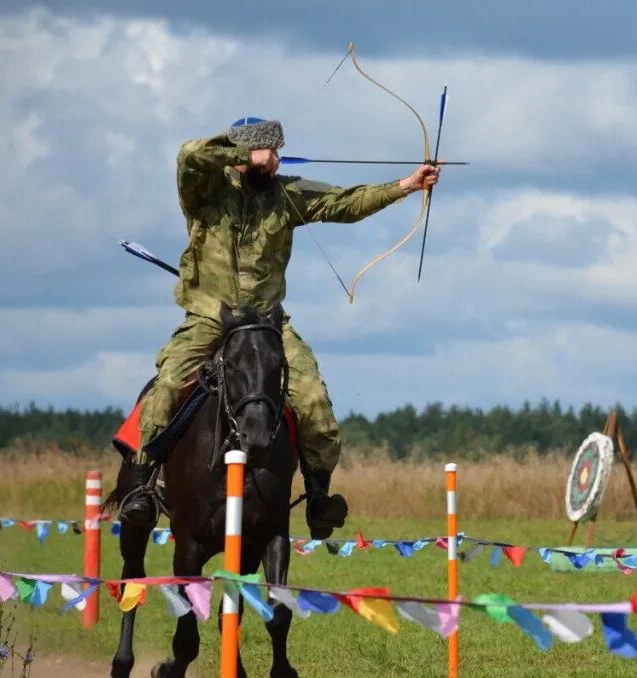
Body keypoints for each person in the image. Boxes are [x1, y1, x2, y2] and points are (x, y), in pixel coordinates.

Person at [118, 117, 440, 538]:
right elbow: (188, 155)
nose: (274, 161)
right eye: (266, 153)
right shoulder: (205, 191)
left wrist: (407, 185)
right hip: (208, 320)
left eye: (276, 152)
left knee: (313, 400)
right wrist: (241, 152)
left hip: (268, 323)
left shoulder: (286, 194)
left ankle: (320, 496)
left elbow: (345, 202)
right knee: (166, 387)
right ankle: (142, 487)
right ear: (244, 156)